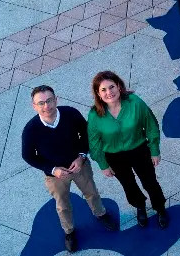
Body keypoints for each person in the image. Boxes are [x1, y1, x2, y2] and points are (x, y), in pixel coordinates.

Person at [22, 85, 117, 253]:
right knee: (62, 205)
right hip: (55, 176)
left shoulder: (70, 113)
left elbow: (87, 133)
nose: (47, 106)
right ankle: (69, 232)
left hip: (79, 166)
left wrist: (81, 157)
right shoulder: (30, 130)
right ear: (34, 106)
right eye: (41, 103)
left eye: (50, 100)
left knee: (92, 193)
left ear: (56, 99)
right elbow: (28, 156)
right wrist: (52, 169)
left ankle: (100, 214)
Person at [87, 71, 168, 228]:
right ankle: (140, 206)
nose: (109, 92)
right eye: (103, 90)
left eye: (111, 87)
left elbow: (151, 125)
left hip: (138, 149)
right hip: (114, 156)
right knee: (128, 185)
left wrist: (154, 149)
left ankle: (160, 208)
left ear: (119, 86)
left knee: (150, 182)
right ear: (98, 93)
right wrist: (103, 164)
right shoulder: (95, 115)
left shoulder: (135, 102)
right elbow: (94, 142)